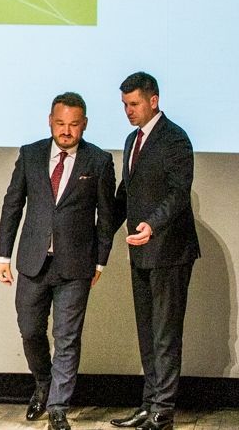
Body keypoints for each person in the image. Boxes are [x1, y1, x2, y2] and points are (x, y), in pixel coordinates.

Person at [0, 92, 116, 430]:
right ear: (50, 121)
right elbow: (12, 205)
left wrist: (100, 261)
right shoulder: (30, 154)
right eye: (60, 123)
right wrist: (3, 256)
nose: (66, 131)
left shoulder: (99, 161)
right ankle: (44, 383)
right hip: (33, 262)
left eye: (74, 124)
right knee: (30, 330)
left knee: (67, 338)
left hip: (76, 265)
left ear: (84, 124)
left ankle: (58, 407)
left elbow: (106, 217)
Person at [110, 72, 200, 430]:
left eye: (134, 104)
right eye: (124, 105)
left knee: (165, 333)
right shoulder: (132, 139)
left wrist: (152, 224)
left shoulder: (175, 138)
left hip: (170, 252)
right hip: (141, 251)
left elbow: (178, 193)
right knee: (147, 333)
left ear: (153, 101)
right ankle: (148, 404)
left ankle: (163, 410)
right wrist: (100, 233)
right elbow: (126, 194)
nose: (128, 111)